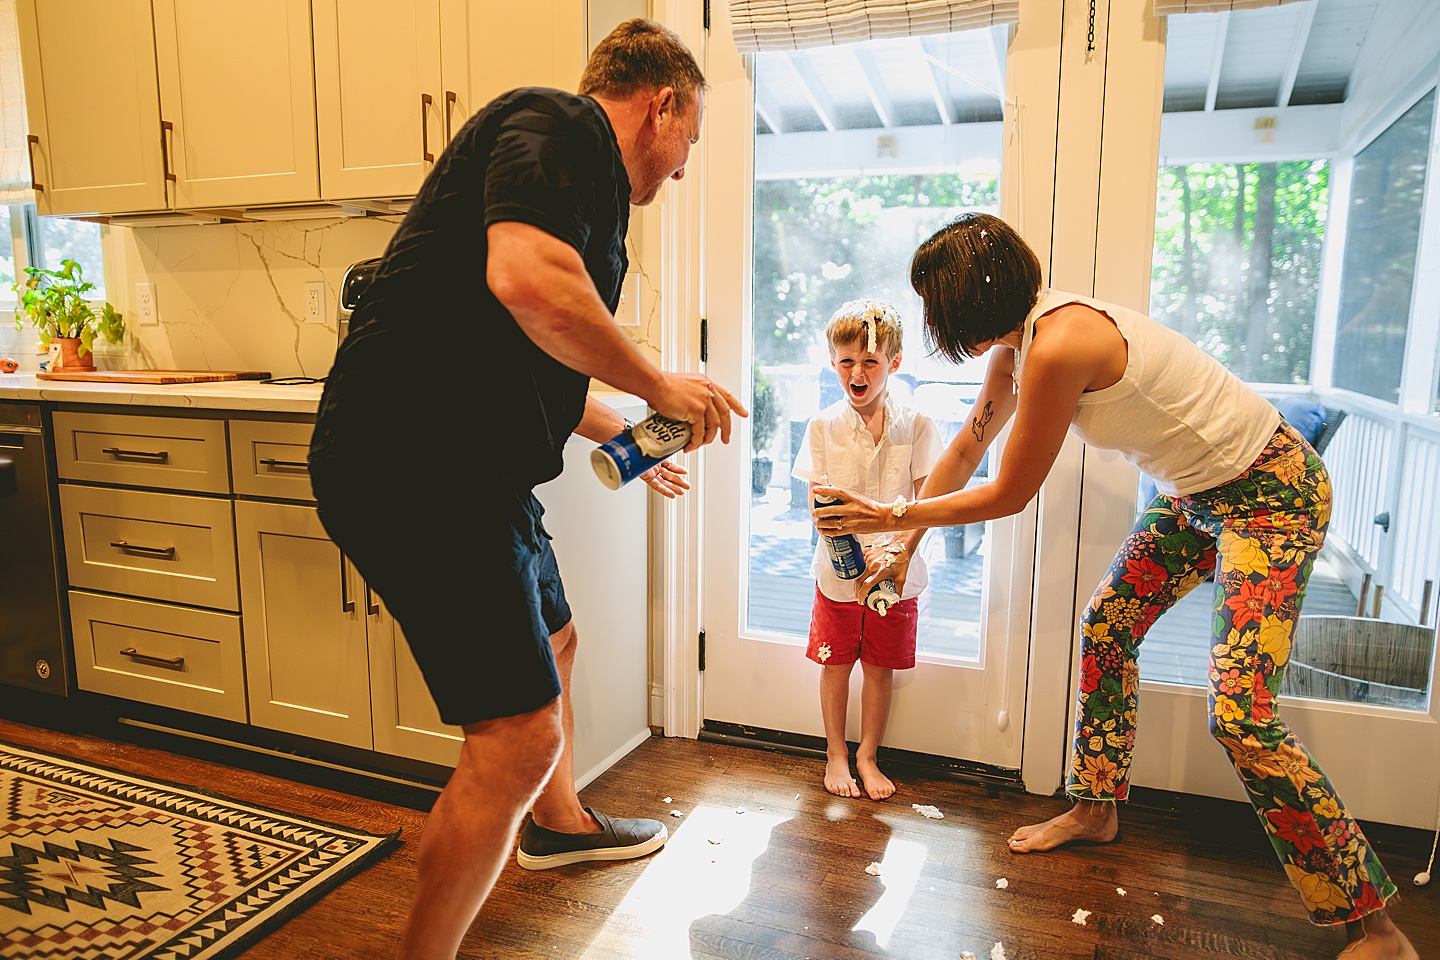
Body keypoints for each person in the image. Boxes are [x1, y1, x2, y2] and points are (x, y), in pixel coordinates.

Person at [809, 213, 1416, 959]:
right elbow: (970, 449)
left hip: (1271, 490)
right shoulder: (1016, 351)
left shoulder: (1062, 342)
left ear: (968, 301)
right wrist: (905, 544)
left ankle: (1374, 925)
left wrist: (895, 508)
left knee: (1241, 714)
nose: (936, 323)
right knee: (1108, 626)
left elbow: (1009, 493)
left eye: (937, 306)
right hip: (1197, 494)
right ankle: (1096, 808)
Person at [307, 19, 746, 960]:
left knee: (558, 638)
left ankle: (556, 830)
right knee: (515, 735)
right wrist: (659, 385)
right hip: (415, 459)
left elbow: (542, 351)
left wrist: (632, 430)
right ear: (661, 102)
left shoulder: (581, 192)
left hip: (471, 465)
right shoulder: (558, 126)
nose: (680, 172)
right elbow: (528, 281)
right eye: (689, 144)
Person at [792, 299, 942, 800]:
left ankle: (868, 755)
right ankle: (836, 752)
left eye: (871, 362)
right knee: (836, 665)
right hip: (837, 575)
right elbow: (819, 508)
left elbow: (930, 501)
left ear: (894, 363)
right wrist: (848, 553)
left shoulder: (918, 424)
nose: (858, 372)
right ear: (832, 361)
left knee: (880, 668)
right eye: (846, 361)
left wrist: (894, 551)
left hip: (898, 574)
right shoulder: (822, 427)